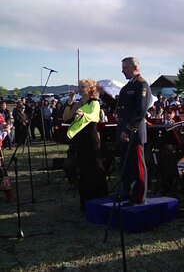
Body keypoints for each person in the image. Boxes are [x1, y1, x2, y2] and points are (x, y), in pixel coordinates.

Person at [64, 79, 108, 210]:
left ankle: (101, 199)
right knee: (83, 171)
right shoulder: (79, 103)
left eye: (83, 87)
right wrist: (70, 101)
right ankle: (87, 202)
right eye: (79, 87)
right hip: (80, 140)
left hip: (91, 139)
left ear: (90, 88)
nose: (80, 89)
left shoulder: (94, 102)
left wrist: (84, 114)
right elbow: (66, 117)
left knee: (95, 168)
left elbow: (94, 116)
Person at [114, 57, 153, 206]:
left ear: (134, 67)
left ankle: (139, 196)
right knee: (126, 164)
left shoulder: (141, 85)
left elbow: (141, 110)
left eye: (125, 68)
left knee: (138, 166)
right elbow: (121, 107)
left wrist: (128, 130)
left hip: (134, 133)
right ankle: (126, 191)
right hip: (124, 131)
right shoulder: (128, 86)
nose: (122, 70)